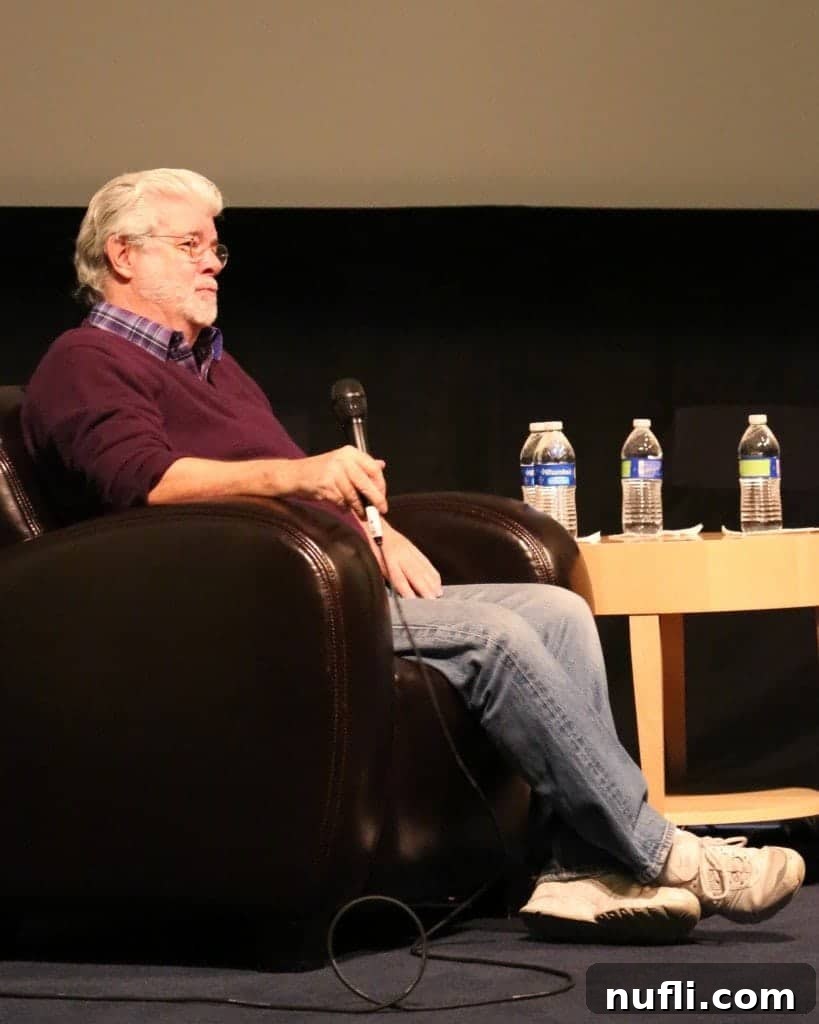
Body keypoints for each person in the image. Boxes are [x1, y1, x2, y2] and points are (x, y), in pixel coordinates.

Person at [21, 168, 805, 944]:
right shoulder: (85, 362)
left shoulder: (212, 365)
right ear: (122, 255)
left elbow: (281, 488)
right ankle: (663, 852)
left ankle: (576, 874)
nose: (212, 263)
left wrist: (368, 522)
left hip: (312, 583)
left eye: (216, 247)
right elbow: (146, 482)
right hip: (222, 612)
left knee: (558, 612)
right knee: (494, 638)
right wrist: (305, 478)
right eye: (190, 244)